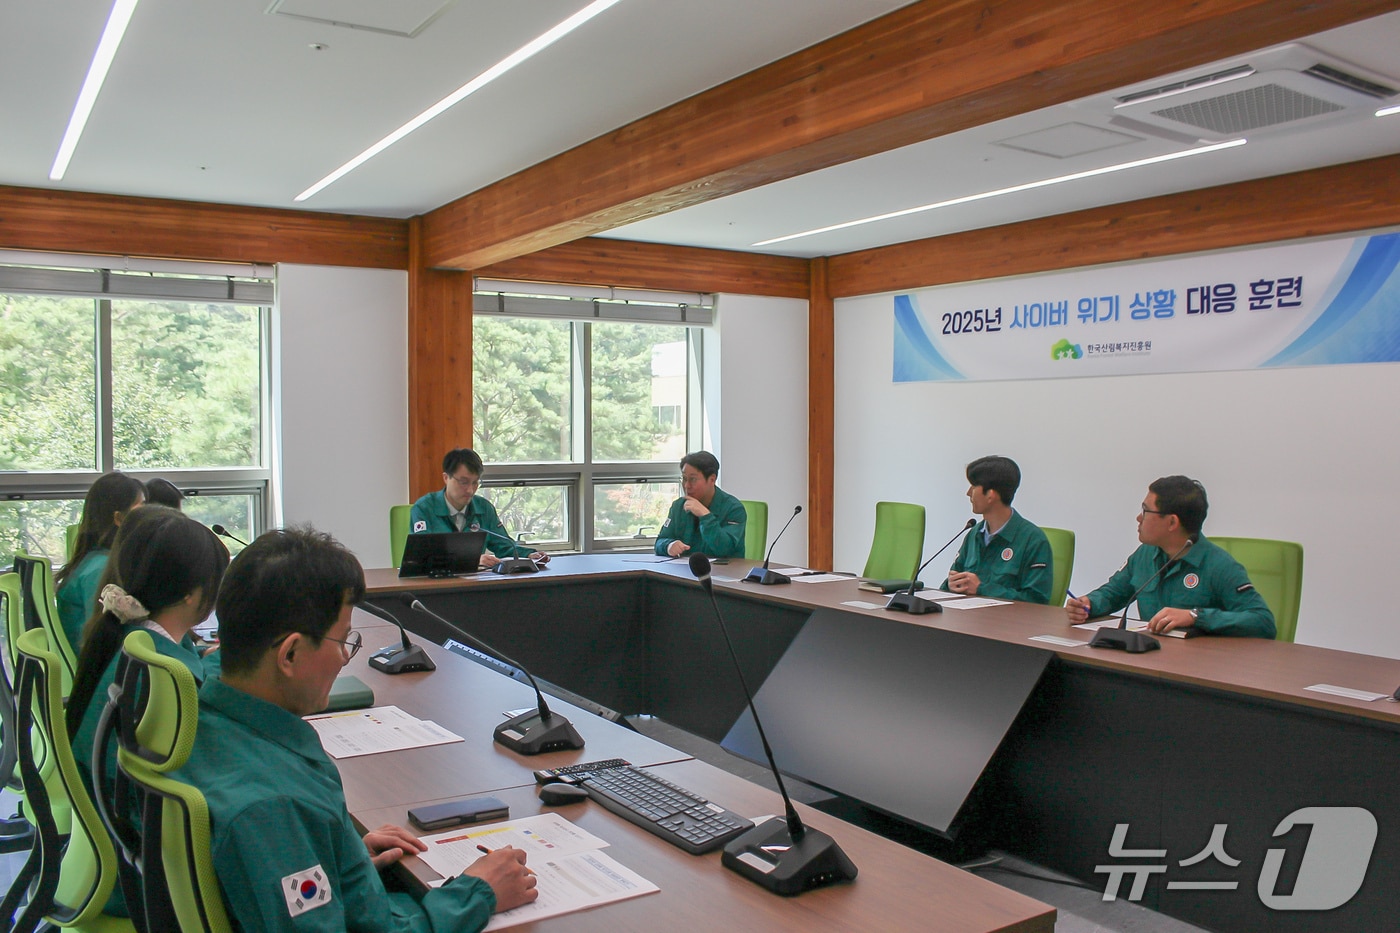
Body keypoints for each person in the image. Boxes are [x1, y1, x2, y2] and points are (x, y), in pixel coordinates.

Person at [178, 527, 536, 931]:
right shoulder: (274, 808)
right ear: (290, 653)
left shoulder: (202, 722)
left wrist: (334, 858)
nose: (346, 659)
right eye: (343, 641)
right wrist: (476, 893)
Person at [63, 504, 228, 916]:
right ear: (193, 593)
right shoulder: (165, 677)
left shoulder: (128, 639)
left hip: (111, 858)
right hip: (146, 880)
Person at [1065, 476, 1275, 638]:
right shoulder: (1146, 554)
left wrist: (1195, 617)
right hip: (1151, 658)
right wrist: (1088, 605)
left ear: (1172, 523)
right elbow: (1115, 592)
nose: (1138, 518)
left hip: (1202, 669)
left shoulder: (1219, 566)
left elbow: (1262, 621)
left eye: (1146, 511)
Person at [409, 448, 548, 569]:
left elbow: (504, 546)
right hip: (435, 586)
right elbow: (424, 556)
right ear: (446, 478)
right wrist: (470, 561)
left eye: (475, 483)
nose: (470, 490)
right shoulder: (424, 508)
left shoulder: (484, 508)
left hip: (475, 585)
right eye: (463, 482)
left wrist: (528, 554)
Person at [940, 456, 1052, 603]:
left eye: (973, 486)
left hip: (1008, 624)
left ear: (990, 495)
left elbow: (1037, 601)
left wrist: (981, 589)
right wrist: (952, 585)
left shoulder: (1034, 540)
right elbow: (952, 581)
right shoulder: (974, 533)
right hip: (967, 621)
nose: (968, 493)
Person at [55, 471, 146, 652]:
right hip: (101, 674)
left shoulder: (95, 560)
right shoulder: (99, 570)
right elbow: (103, 642)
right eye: (141, 508)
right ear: (119, 518)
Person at [654, 451, 747, 559]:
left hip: (724, 573)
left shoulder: (734, 509)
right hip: (685, 571)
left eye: (693, 479)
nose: (687, 485)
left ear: (712, 480)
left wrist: (706, 516)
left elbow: (724, 549)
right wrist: (668, 546)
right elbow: (659, 542)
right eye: (684, 478)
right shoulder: (679, 506)